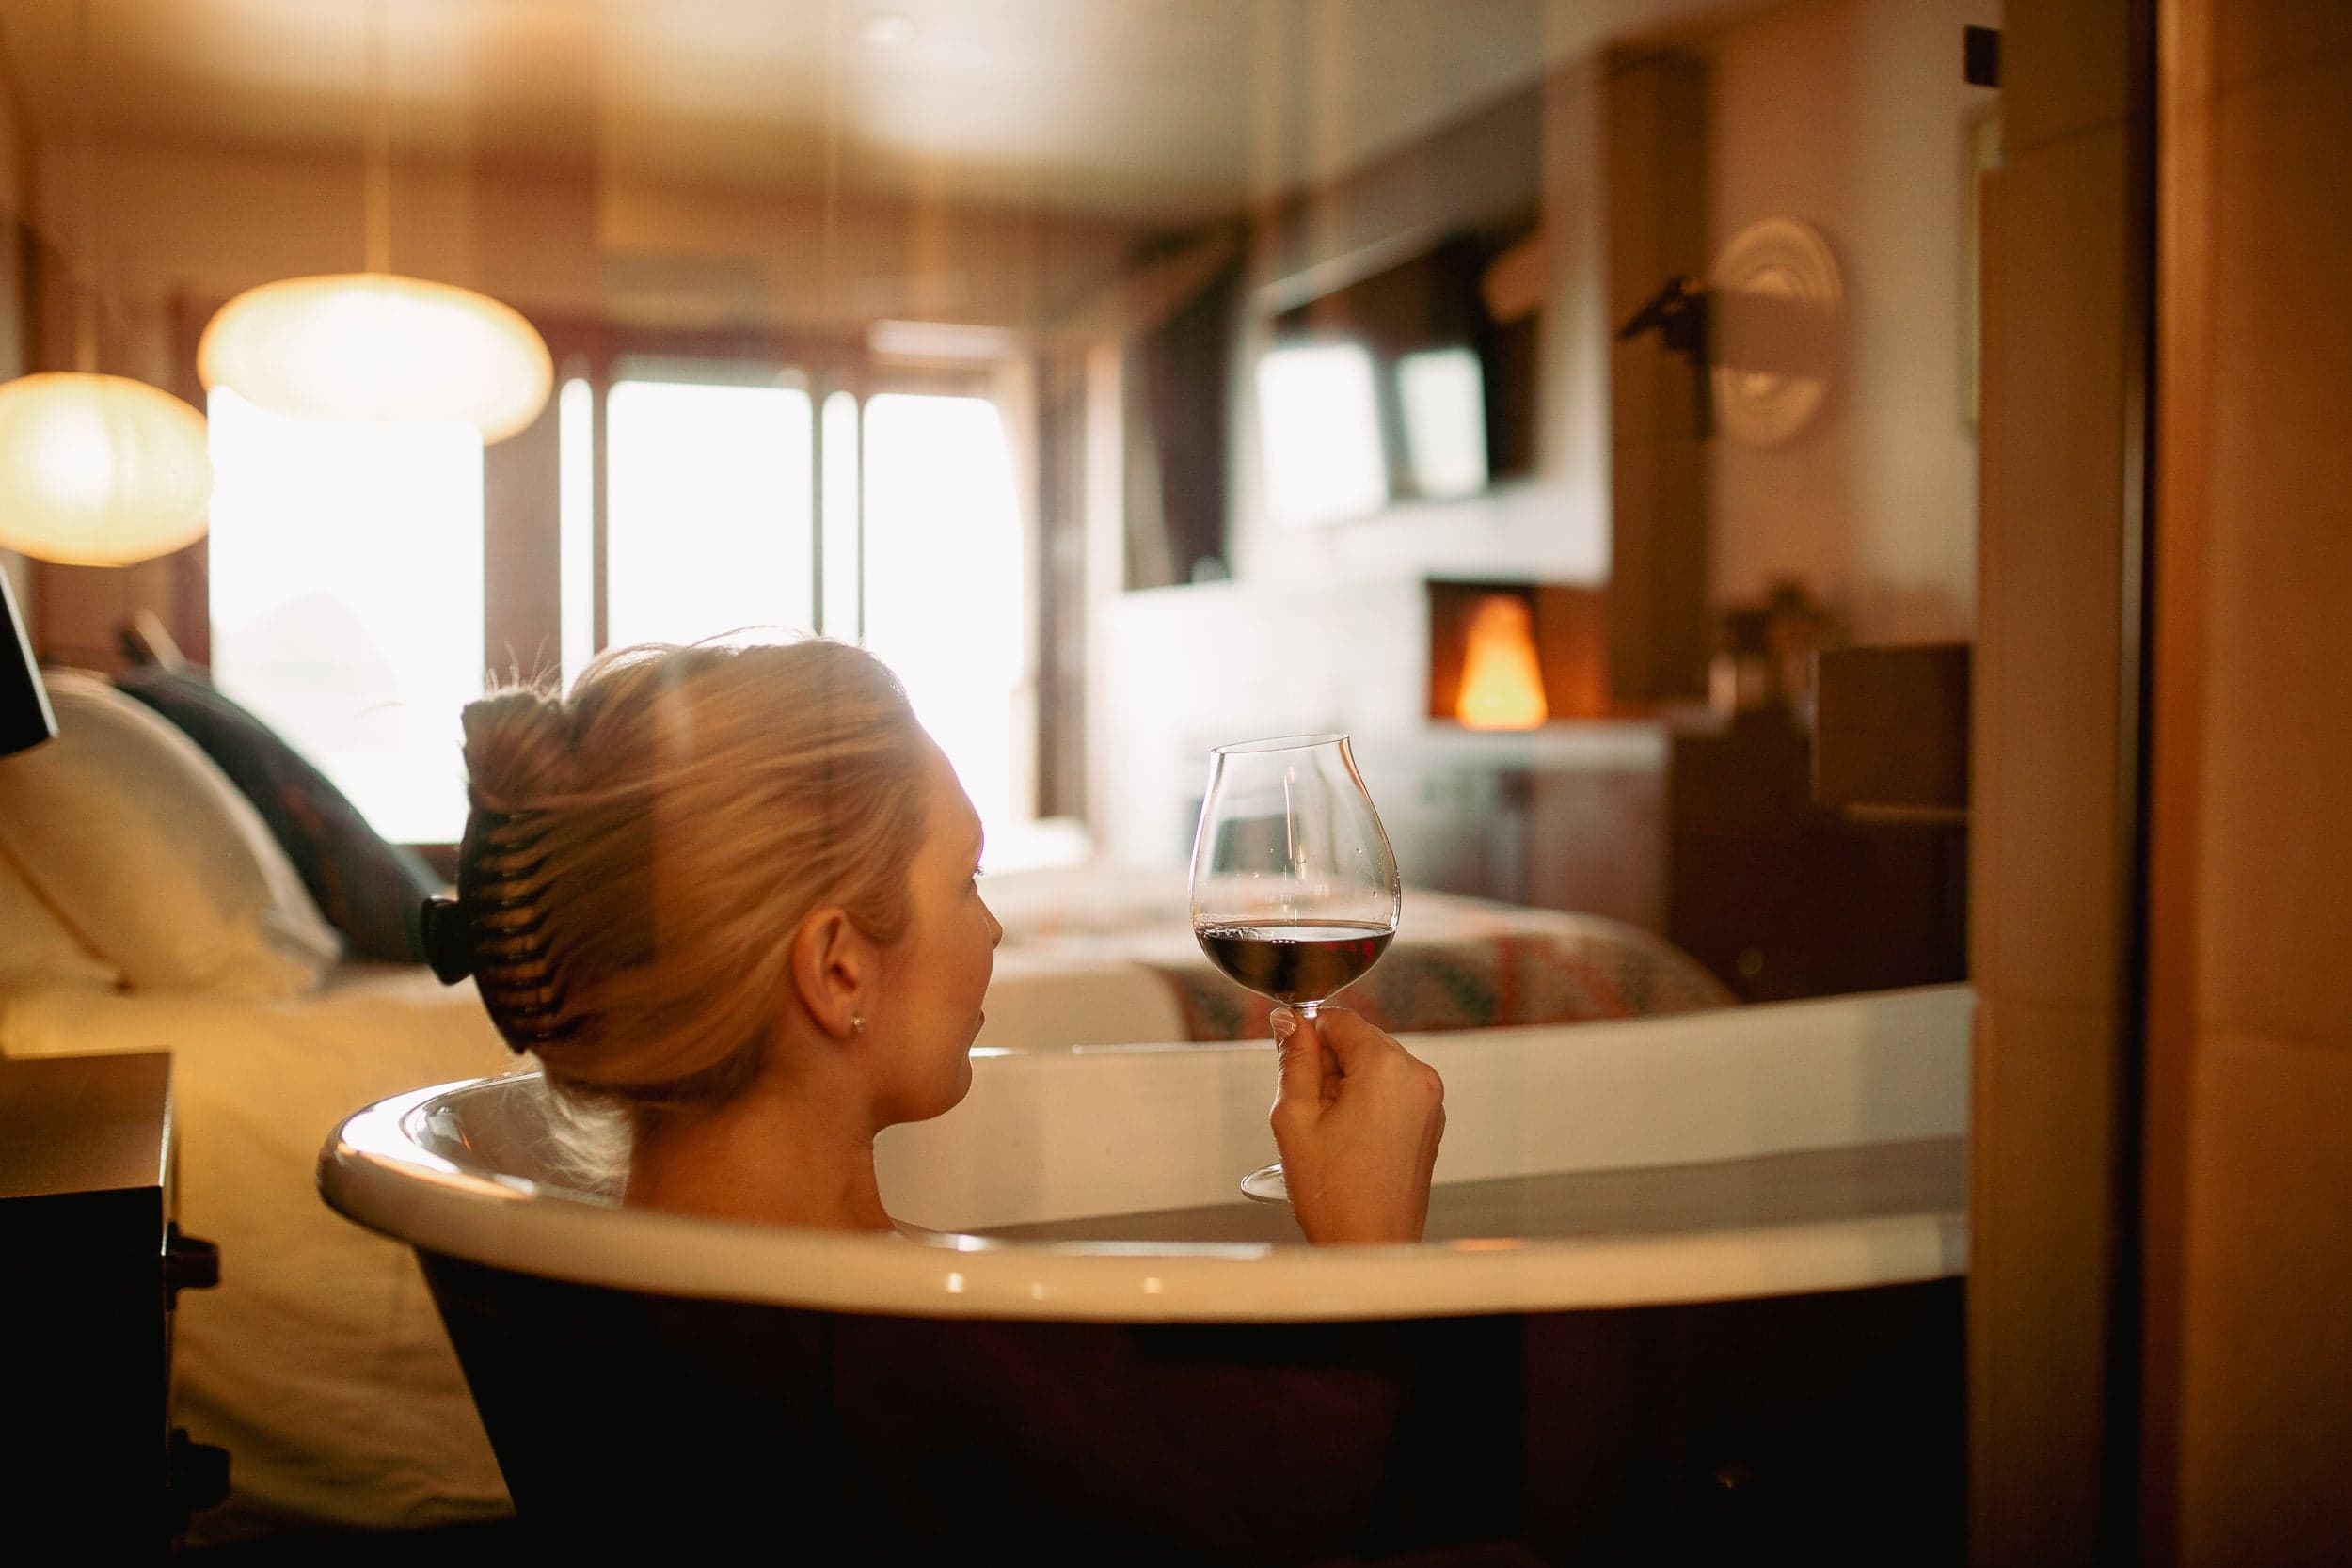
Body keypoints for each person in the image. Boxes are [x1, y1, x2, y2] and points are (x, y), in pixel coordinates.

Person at [420, 636, 1445, 1244]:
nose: (994, 923)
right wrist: (1370, 1247)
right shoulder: (940, 1368)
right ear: (836, 966)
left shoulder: (621, 1324)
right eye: (965, 878)